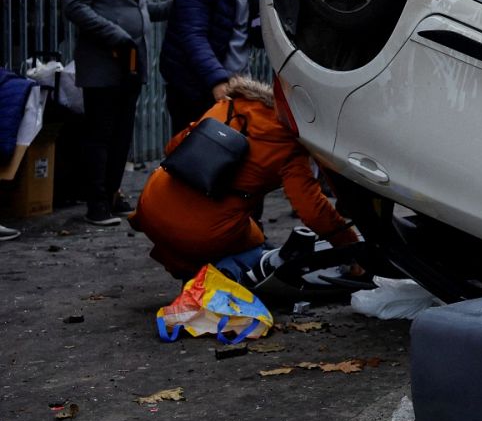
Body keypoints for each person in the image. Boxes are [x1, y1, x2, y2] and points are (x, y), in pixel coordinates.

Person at [129, 76, 360, 281]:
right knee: (261, 253)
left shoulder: (230, 105)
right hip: (202, 233)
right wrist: (351, 248)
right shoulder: (290, 147)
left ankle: (191, 266)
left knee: (233, 224)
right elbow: (313, 210)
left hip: (149, 204)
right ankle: (223, 273)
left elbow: (173, 148)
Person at [62, 0, 169, 227]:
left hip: (132, 65)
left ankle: (110, 195)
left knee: (122, 134)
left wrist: (171, 8)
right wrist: (116, 35)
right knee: (100, 134)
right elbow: (74, 6)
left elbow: (136, 9)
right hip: (103, 64)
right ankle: (95, 204)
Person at [158, 0, 265, 137]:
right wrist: (217, 81)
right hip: (195, 89)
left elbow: (253, 34)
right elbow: (192, 36)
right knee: (192, 158)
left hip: (234, 89)